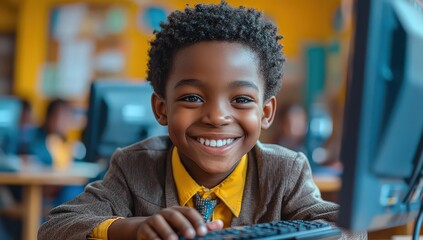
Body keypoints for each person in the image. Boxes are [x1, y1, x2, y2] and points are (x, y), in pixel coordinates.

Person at [38, 2, 366, 240]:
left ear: (266, 113)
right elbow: (56, 227)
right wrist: (132, 228)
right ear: (162, 108)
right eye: (193, 98)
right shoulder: (135, 167)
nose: (217, 116)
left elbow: (349, 230)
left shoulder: (285, 172)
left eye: (241, 99)